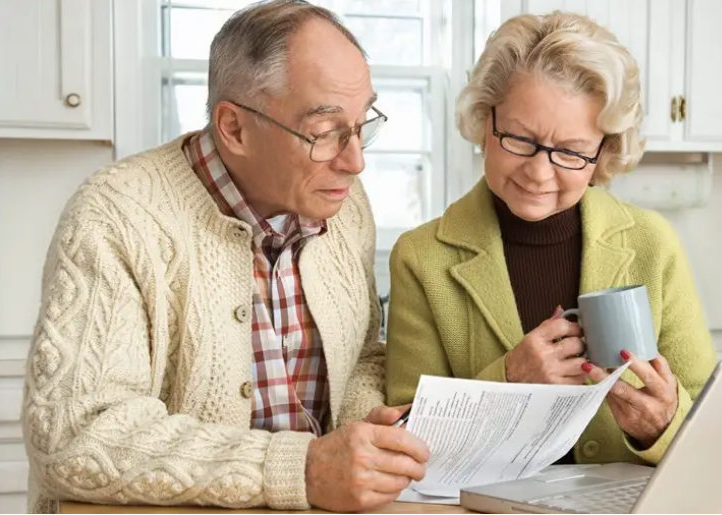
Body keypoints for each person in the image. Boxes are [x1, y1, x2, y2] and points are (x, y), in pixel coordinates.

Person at [22, 1, 427, 512]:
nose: (356, 161)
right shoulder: (114, 215)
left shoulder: (345, 209)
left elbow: (362, 353)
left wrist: (365, 425)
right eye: (325, 133)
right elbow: (75, 436)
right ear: (234, 128)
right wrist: (300, 469)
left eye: (362, 122)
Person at [385, 11, 718, 467]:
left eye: (570, 152)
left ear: (604, 152)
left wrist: (661, 426)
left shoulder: (651, 243)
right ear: (485, 120)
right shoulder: (421, 258)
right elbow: (404, 436)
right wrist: (508, 381)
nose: (539, 173)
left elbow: (710, 424)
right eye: (520, 139)